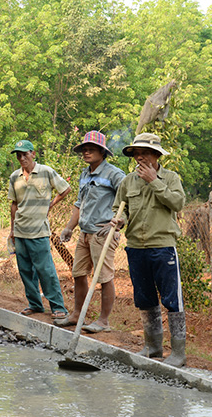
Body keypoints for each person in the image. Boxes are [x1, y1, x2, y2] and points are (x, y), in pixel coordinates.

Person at [110, 132, 187, 367]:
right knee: (144, 298)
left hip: (162, 247)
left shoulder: (171, 178)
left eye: (144, 153)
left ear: (156, 155)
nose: (140, 158)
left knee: (172, 299)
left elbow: (178, 203)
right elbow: (119, 207)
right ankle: (152, 347)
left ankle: (178, 353)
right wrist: (119, 220)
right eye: (136, 154)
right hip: (136, 247)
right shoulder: (128, 181)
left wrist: (155, 181)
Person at [56, 131, 125, 333]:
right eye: (84, 149)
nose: (86, 152)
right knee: (78, 273)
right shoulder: (85, 175)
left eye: (91, 149)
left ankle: (103, 321)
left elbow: (128, 199)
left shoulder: (114, 174)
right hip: (84, 233)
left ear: (102, 152)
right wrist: (69, 227)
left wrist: (119, 223)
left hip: (103, 233)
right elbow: (79, 203)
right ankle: (77, 314)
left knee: (104, 277)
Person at [8, 140, 71, 321]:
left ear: (33, 154)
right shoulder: (15, 177)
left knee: (46, 270)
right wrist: (12, 229)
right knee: (26, 271)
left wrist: (51, 204)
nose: (21, 158)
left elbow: (65, 189)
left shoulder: (46, 171)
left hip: (39, 232)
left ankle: (58, 307)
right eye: (18, 155)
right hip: (20, 231)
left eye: (25, 154)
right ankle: (35, 304)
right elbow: (14, 204)